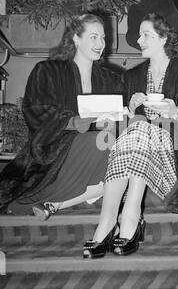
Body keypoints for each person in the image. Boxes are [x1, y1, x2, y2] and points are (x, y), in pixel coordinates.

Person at [83, 0, 178, 259]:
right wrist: (129, 110)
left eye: (145, 35)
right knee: (138, 127)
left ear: (165, 37)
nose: (138, 41)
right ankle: (114, 221)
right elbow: (116, 134)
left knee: (142, 129)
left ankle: (124, 218)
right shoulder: (133, 77)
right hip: (136, 158)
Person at [0, 14, 124, 219]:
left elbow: (119, 112)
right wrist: (73, 122)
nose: (101, 43)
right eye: (93, 37)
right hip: (53, 148)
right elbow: (36, 110)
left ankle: (55, 204)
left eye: (103, 38)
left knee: (117, 148)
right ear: (76, 37)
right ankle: (42, 199)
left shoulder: (110, 78)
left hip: (101, 144)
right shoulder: (47, 70)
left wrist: (116, 121)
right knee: (101, 143)